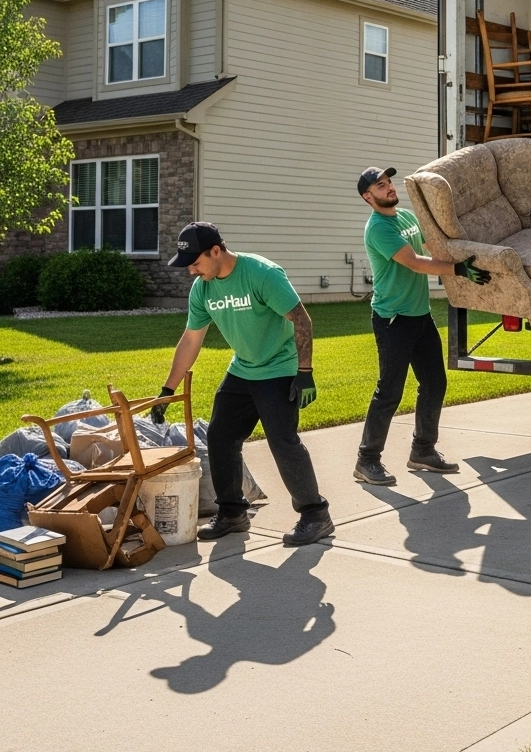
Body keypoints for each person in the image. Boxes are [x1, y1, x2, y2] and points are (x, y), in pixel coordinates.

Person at [153, 222, 333, 545]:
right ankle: (232, 512)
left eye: (195, 263)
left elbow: (301, 319)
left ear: (216, 251)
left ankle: (315, 514)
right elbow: (191, 339)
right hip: (243, 368)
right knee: (220, 435)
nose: (192, 271)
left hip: (279, 367)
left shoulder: (262, 274)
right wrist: (168, 390)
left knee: (282, 441)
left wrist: (304, 371)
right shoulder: (203, 289)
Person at [355, 166, 491, 485]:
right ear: (368, 197)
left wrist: (467, 251)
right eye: (380, 185)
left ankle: (423, 451)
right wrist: (458, 269)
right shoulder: (378, 228)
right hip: (393, 319)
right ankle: (366, 460)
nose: (389, 187)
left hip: (419, 315)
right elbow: (415, 263)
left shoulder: (405, 217)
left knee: (434, 383)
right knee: (390, 391)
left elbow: (430, 247)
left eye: (389, 182)